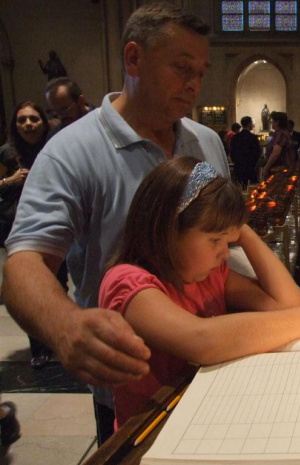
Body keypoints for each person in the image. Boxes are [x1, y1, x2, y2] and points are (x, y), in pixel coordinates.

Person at [3, 3, 229, 446]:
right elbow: (24, 264)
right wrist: (66, 327)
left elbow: (223, 243)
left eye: (200, 71)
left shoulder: (207, 142)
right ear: (133, 59)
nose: (194, 84)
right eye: (182, 68)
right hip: (135, 381)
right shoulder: (72, 151)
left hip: (214, 361)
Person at [100, 156, 300, 426]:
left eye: (227, 240)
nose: (223, 253)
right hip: (151, 431)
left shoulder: (208, 275)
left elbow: (286, 302)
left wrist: (241, 230)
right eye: (215, 240)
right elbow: (201, 341)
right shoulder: (127, 283)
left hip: (201, 416)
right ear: (167, 230)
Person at [0, 102, 62, 369]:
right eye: (22, 120)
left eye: (33, 119)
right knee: (30, 286)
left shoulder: (55, 148)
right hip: (17, 224)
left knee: (56, 284)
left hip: (56, 228)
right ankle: (38, 347)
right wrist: (10, 180)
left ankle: (55, 338)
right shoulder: (6, 152)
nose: (28, 124)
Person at [261, 111, 294, 178]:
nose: (271, 123)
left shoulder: (280, 133)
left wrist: (266, 167)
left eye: (272, 121)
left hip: (279, 170)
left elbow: (276, 153)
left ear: (277, 122)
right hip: (282, 169)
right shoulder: (284, 132)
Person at [230, 116, 260, 188]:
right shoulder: (252, 137)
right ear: (249, 124)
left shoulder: (235, 137)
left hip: (239, 167)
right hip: (250, 167)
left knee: (240, 187)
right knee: (251, 189)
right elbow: (257, 152)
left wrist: (236, 161)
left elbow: (232, 151)